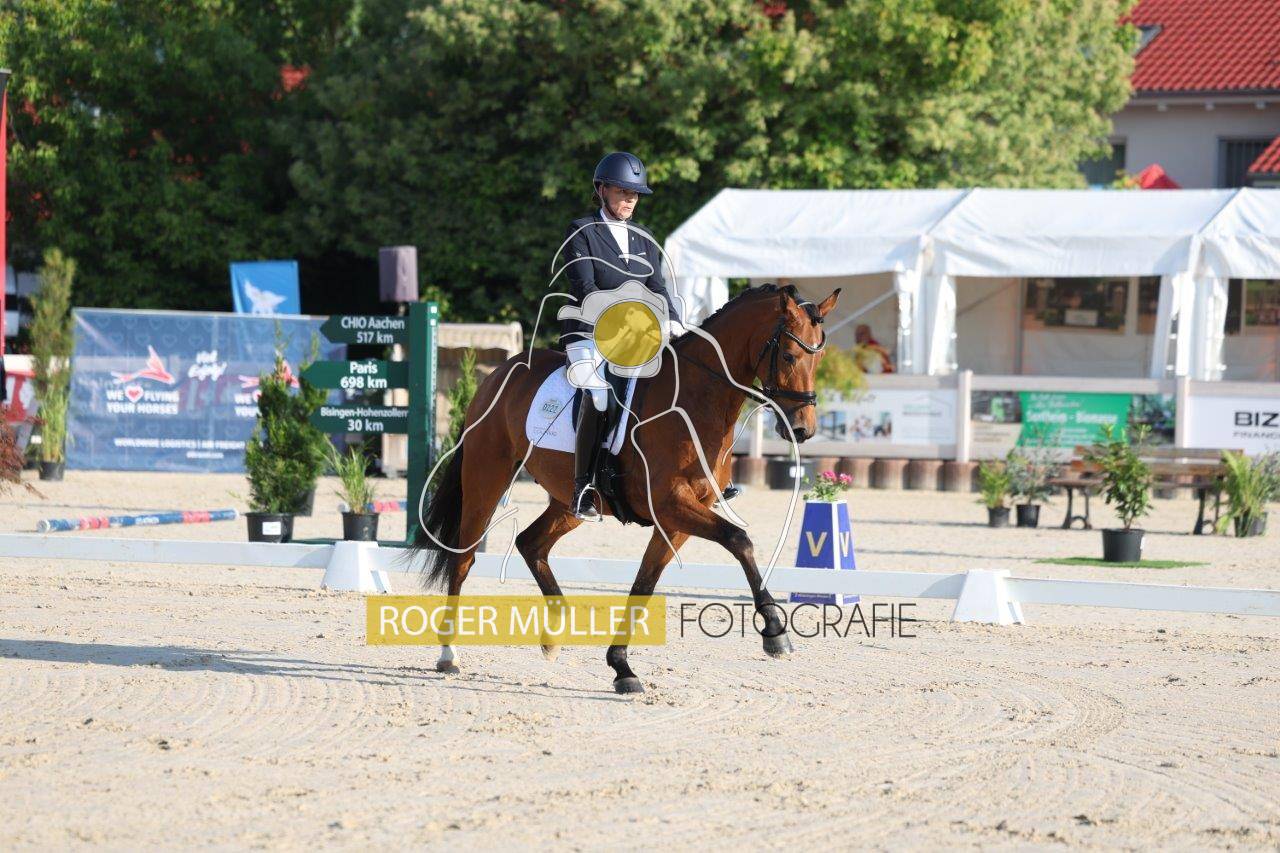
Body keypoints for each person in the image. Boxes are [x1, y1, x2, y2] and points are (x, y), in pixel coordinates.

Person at [560, 152, 684, 520]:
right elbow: (586, 288)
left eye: (634, 194)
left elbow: (657, 287)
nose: (629, 200)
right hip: (589, 334)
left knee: (679, 384)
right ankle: (583, 487)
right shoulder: (582, 231)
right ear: (601, 190)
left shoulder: (645, 237)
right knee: (599, 396)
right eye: (622, 192)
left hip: (637, 338)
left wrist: (673, 321)